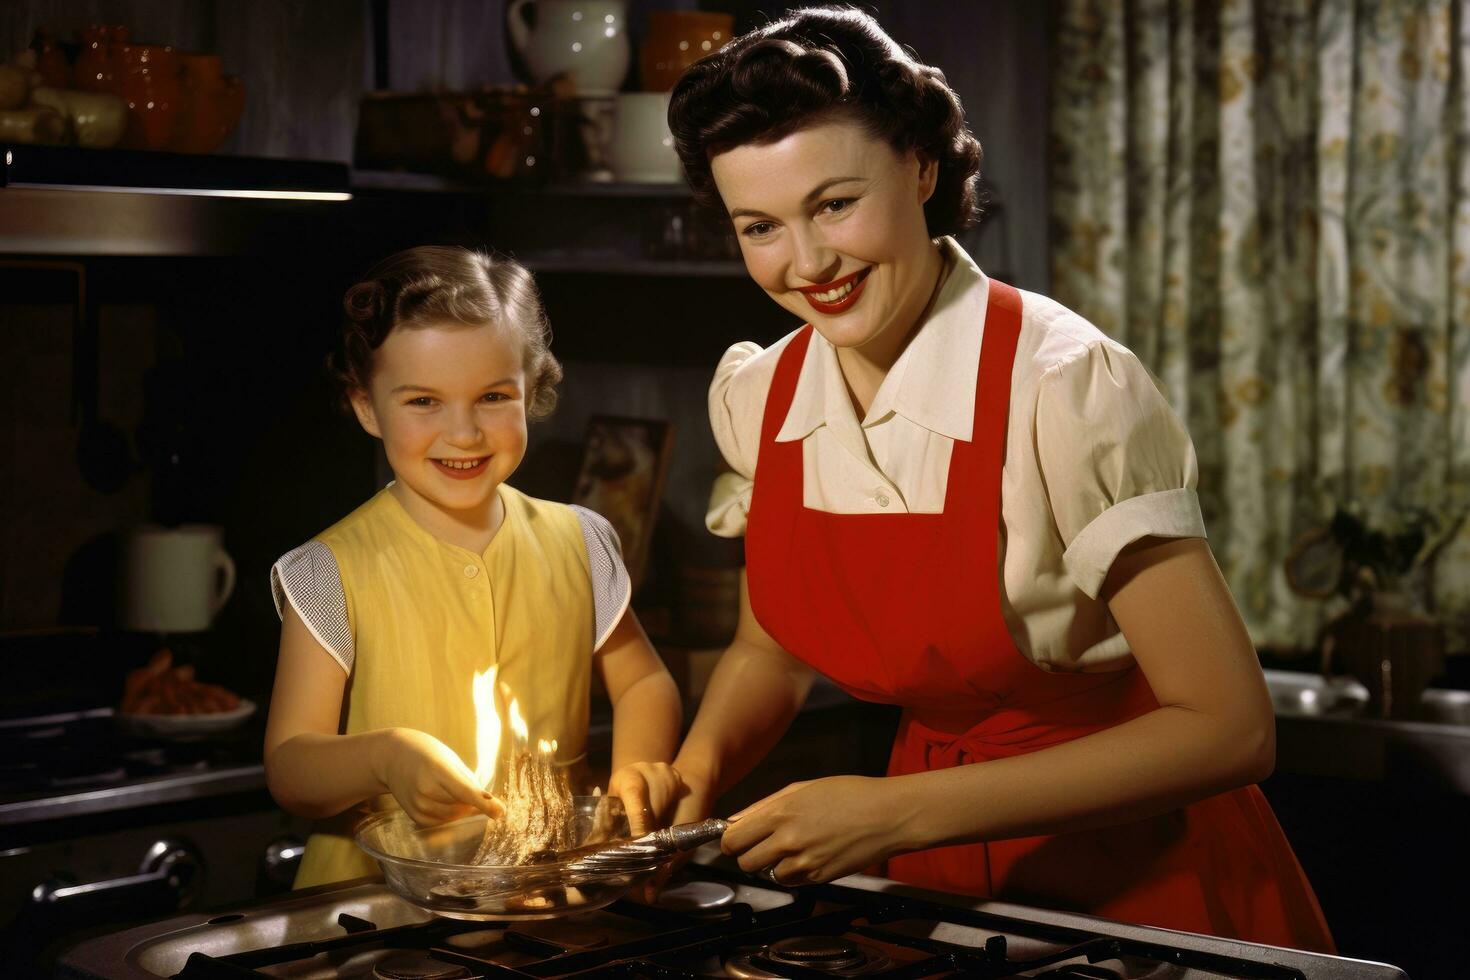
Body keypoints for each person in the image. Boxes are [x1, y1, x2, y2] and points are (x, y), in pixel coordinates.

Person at [663, 6, 1334, 951]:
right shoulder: (760, 398)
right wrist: (692, 773)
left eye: (835, 204)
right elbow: (768, 651)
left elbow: (1228, 728)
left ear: (922, 170)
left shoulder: (1063, 386)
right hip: (936, 885)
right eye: (760, 225)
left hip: (1140, 882)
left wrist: (898, 813)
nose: (806, 263)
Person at [264, 246, 683, 888]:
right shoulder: (329, 570)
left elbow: (644, 684)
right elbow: (291, 767)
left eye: (491, 396)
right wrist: (384, 758)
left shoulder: (581, 541)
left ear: (533, 392)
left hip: (543, 900)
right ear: (367, 407)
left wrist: (639, 767)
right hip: (372, 918)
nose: (463, 434)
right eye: (423, 402)